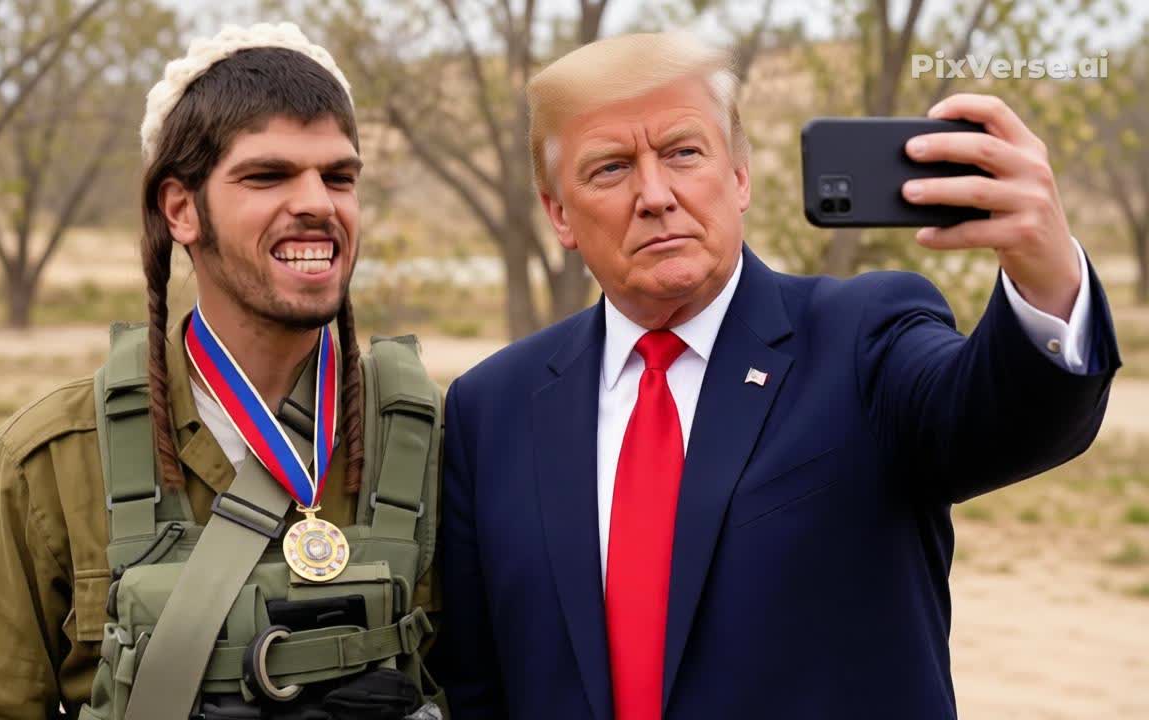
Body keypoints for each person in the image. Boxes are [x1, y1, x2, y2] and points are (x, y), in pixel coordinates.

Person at [436, 32, 1120, 719]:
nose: (655, 194)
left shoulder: (861, 339)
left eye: (683, 153)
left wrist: (1047, 274)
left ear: (739, 176)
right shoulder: (488, 411)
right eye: (611, 168)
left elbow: (1003, 421)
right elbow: (476, 687)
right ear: (559, 213)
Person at [0, 24, 445, 720]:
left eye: (339, 177)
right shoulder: (49, 463)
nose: (319, 203)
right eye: (268, 176)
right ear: (181, 209)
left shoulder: (436, 441)